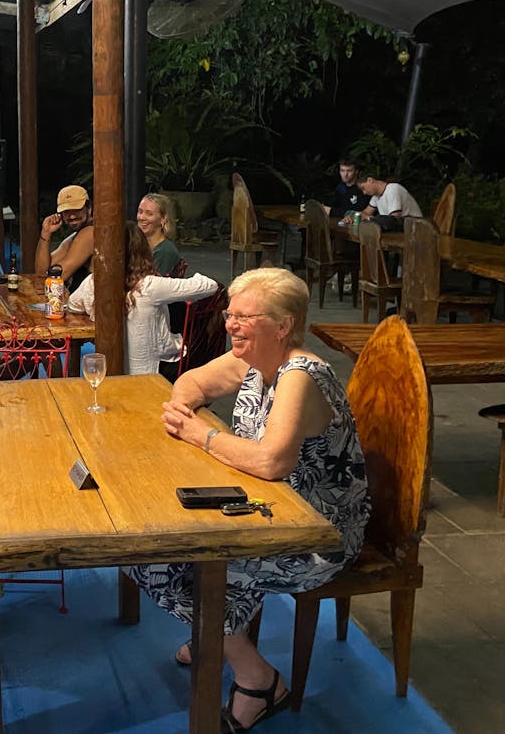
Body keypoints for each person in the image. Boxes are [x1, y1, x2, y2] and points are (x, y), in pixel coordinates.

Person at [125, 267, 369, 733]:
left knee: (168, 563)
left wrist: (202, 435)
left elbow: (273, 462)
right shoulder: (253, 360)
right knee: (151, 547)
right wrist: (184, 410)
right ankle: (216, 631)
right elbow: (191, 384)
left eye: (244, 317)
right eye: (230, 314)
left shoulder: (301, 375)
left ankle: (257, 680)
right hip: (263, 510)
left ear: (283, 325)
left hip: (315, 532)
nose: (231, 325)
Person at [67, 224, 219, 375]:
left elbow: (73, 305)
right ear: (143, 250)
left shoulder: (93, 282)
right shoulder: (150, 286)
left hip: (108, 368)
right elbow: (210, 286)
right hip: (153, 370)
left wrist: (95, 317)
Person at [35, 184, 95, 289]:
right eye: (67, 211)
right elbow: (41, 274)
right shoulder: (74, 238)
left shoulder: (90, 232)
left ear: (89, 208)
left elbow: (57, 278)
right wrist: (46, 233)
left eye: (77, 209)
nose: (72, 216)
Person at [136, 192, 181, 275]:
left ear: (163, 219)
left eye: (149, 213)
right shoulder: (138, 246)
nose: (141, 217)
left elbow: (152, 286)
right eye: (140, 212)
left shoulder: (165, 252)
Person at [357, 172, 423, 222]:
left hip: (413, 226)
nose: (364, 192)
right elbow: (366, 212)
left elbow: (394, 218)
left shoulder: (392, 189)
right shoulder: (376, 196)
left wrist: (369, 218)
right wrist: (355, 215)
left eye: (363, 188)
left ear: (370, 180)